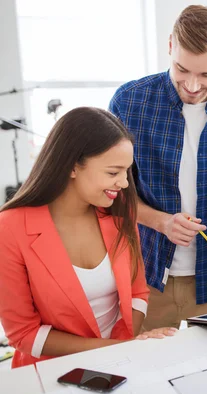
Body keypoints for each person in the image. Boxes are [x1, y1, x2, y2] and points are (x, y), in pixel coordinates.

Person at [109, 5, 207, 330]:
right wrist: (162, 222)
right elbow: (113, 193)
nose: (193, 85)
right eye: (182, 69)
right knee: (145, 372)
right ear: (170, 47)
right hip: (146, 277)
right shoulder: (130, 103)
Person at [0, 107, 175, 368]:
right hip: (51, 369)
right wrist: (118, 349)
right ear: (72, 167)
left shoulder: (119, 211)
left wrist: (127, 345)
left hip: (119, 360)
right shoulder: (10, 227)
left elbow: (138, 291)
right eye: (113, 172)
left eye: (126, 172)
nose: (125, 184)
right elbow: (23, 333)